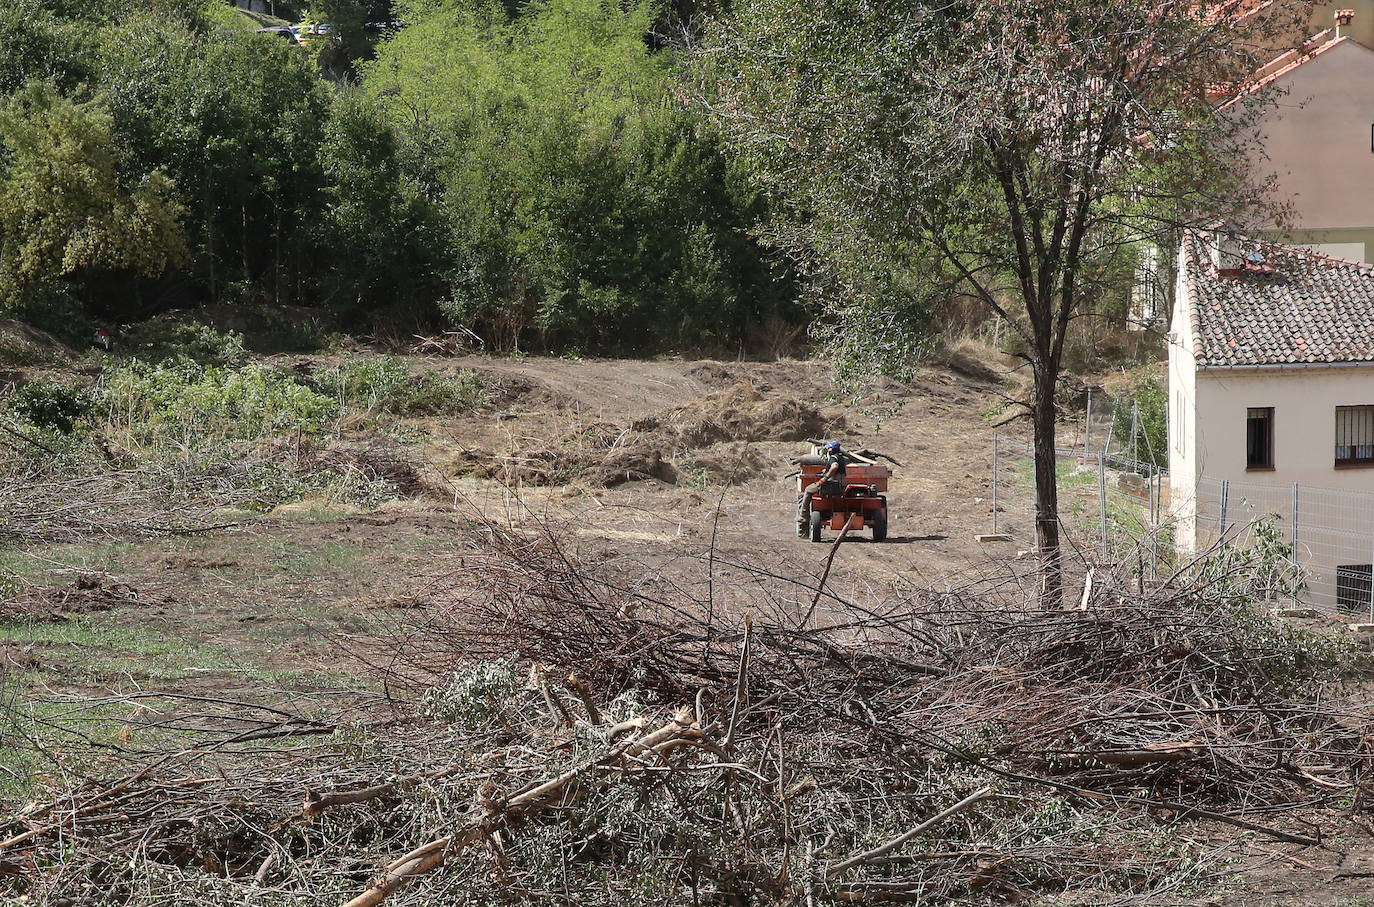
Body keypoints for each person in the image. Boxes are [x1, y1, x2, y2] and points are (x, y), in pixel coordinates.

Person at [796, 440, 847, 536]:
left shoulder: (833, 458)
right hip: (841, 485)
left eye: (828, 449)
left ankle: (803, 516)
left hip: (831, 485)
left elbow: (834, 467)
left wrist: (825, 478)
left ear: (831, 450)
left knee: (808, 489)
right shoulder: (841, 458)